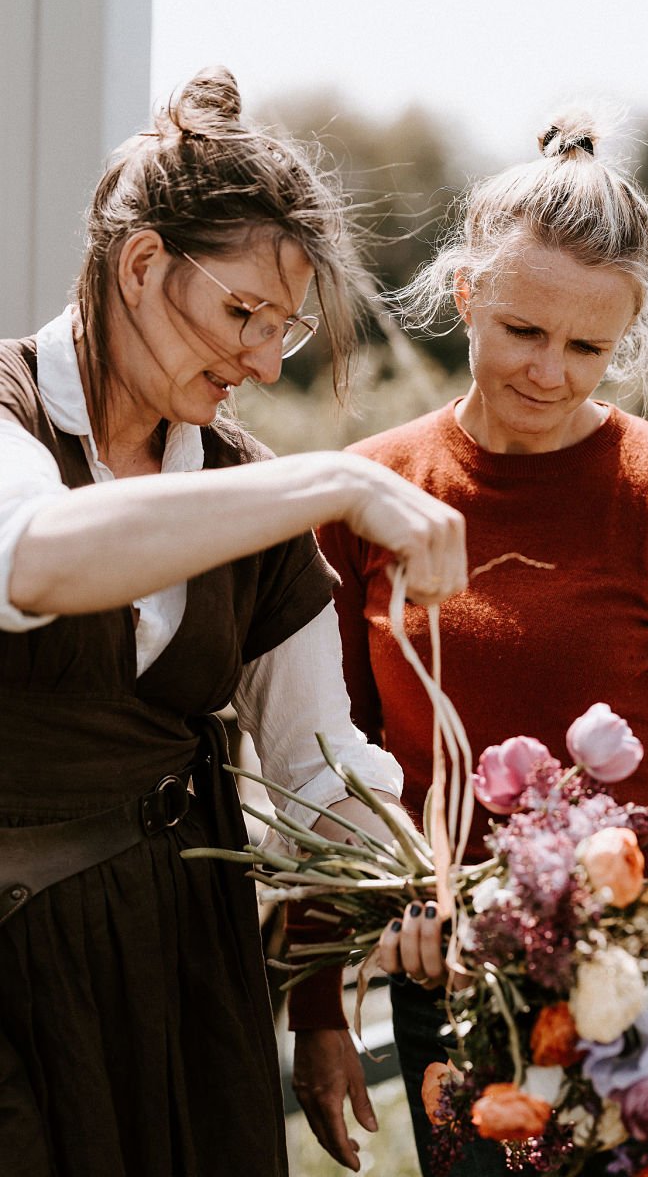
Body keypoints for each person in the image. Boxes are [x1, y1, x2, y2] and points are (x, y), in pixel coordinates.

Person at [293, 112, 648, 1175]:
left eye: (586, 347)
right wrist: (319, 1006)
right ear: (466, 293)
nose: (550, 371)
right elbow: (326, 767)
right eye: (523, 330)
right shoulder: (364, 493)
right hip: (457, 991)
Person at [0, 67, 468, 1177]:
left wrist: (454, 895)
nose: (262, 361)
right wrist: (329, 484)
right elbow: (36, 558)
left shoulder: (248, 488)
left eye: (283, 328)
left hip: (182, 957)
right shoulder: (10, 410)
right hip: (15, 957)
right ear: (143, 263)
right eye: (242, 313)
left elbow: (319, 769)